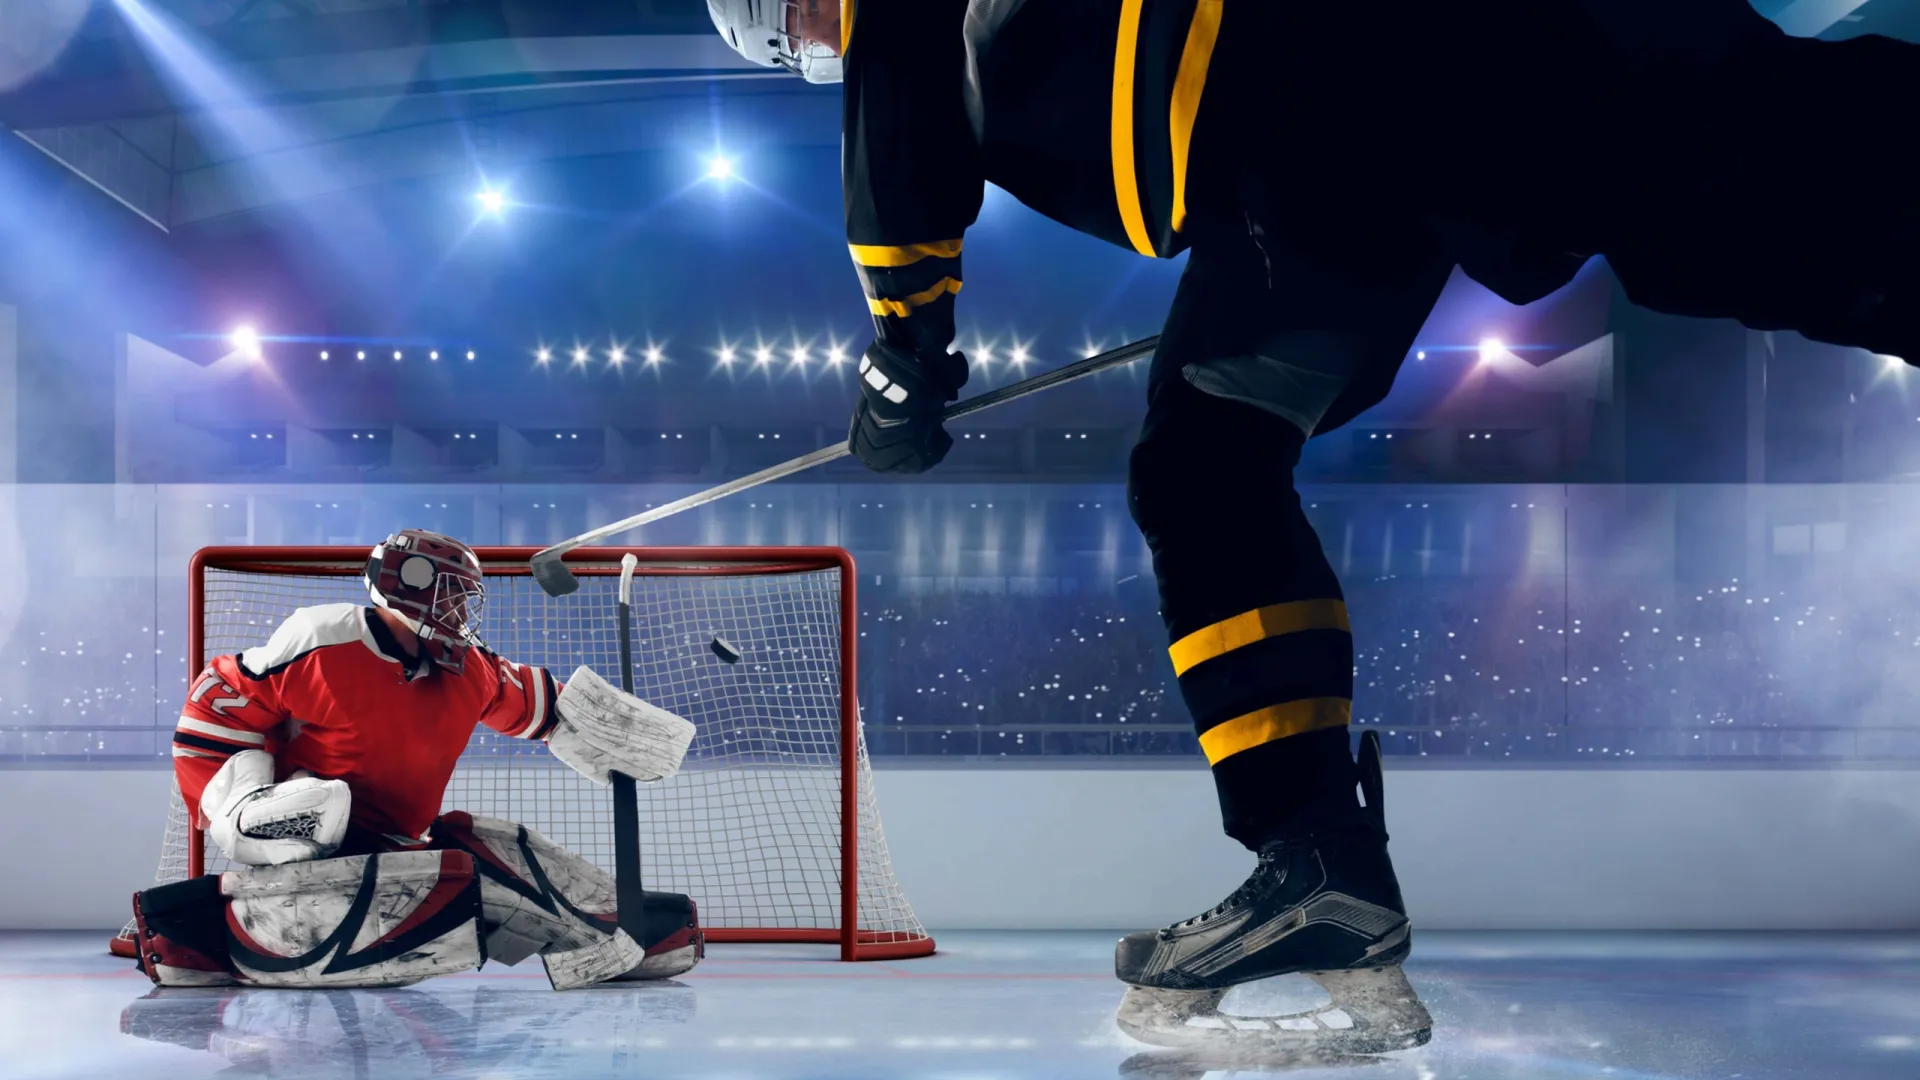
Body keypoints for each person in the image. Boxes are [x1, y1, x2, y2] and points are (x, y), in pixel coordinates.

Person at [707, 0, 1920, 1055]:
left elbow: (898, 150)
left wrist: (905, 357)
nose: (821, 51)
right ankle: (1314, 855)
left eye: (803, 29)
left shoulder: (910, 27)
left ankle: (1316, 853)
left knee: (1733, 168)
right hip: (1347, 142)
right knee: (1730, 190)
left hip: (1329, 94)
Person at [129, 529, 702, 991]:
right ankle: (205, 933)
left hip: (400, 845)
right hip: (307, 837)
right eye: (451, 594)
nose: (460, 611)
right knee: (320, 804)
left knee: (489, 845)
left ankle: (617, 932)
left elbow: (541, 705)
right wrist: (236, 806)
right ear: (411, 585)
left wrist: (617, 731)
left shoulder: (470, 671)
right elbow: (221, 701)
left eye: (465, 599)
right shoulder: (322, 640)